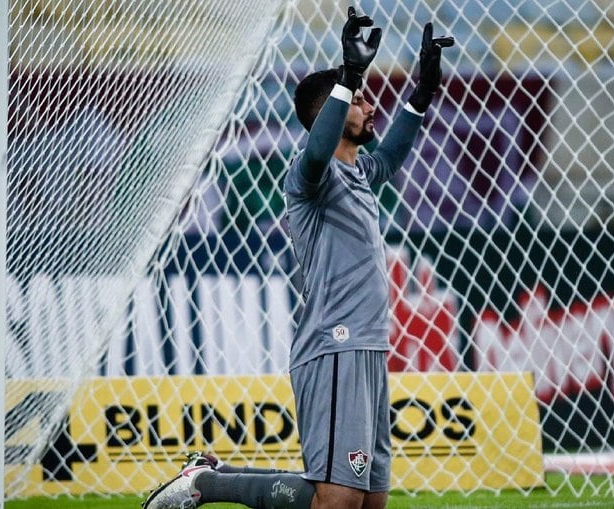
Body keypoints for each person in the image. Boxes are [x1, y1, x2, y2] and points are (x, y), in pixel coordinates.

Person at [142, 6, 453, 509]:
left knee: (369, 503)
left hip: (369, 350)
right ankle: (209, 484)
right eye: (361, 101)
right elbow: (315, 152)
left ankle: (211, 476)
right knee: (336, 500)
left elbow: (392, 153)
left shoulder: (359, 173)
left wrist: (422, 92)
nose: (372, 108)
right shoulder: (309, 177)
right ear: (330, 113)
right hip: (334, 345)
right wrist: (349, 77)